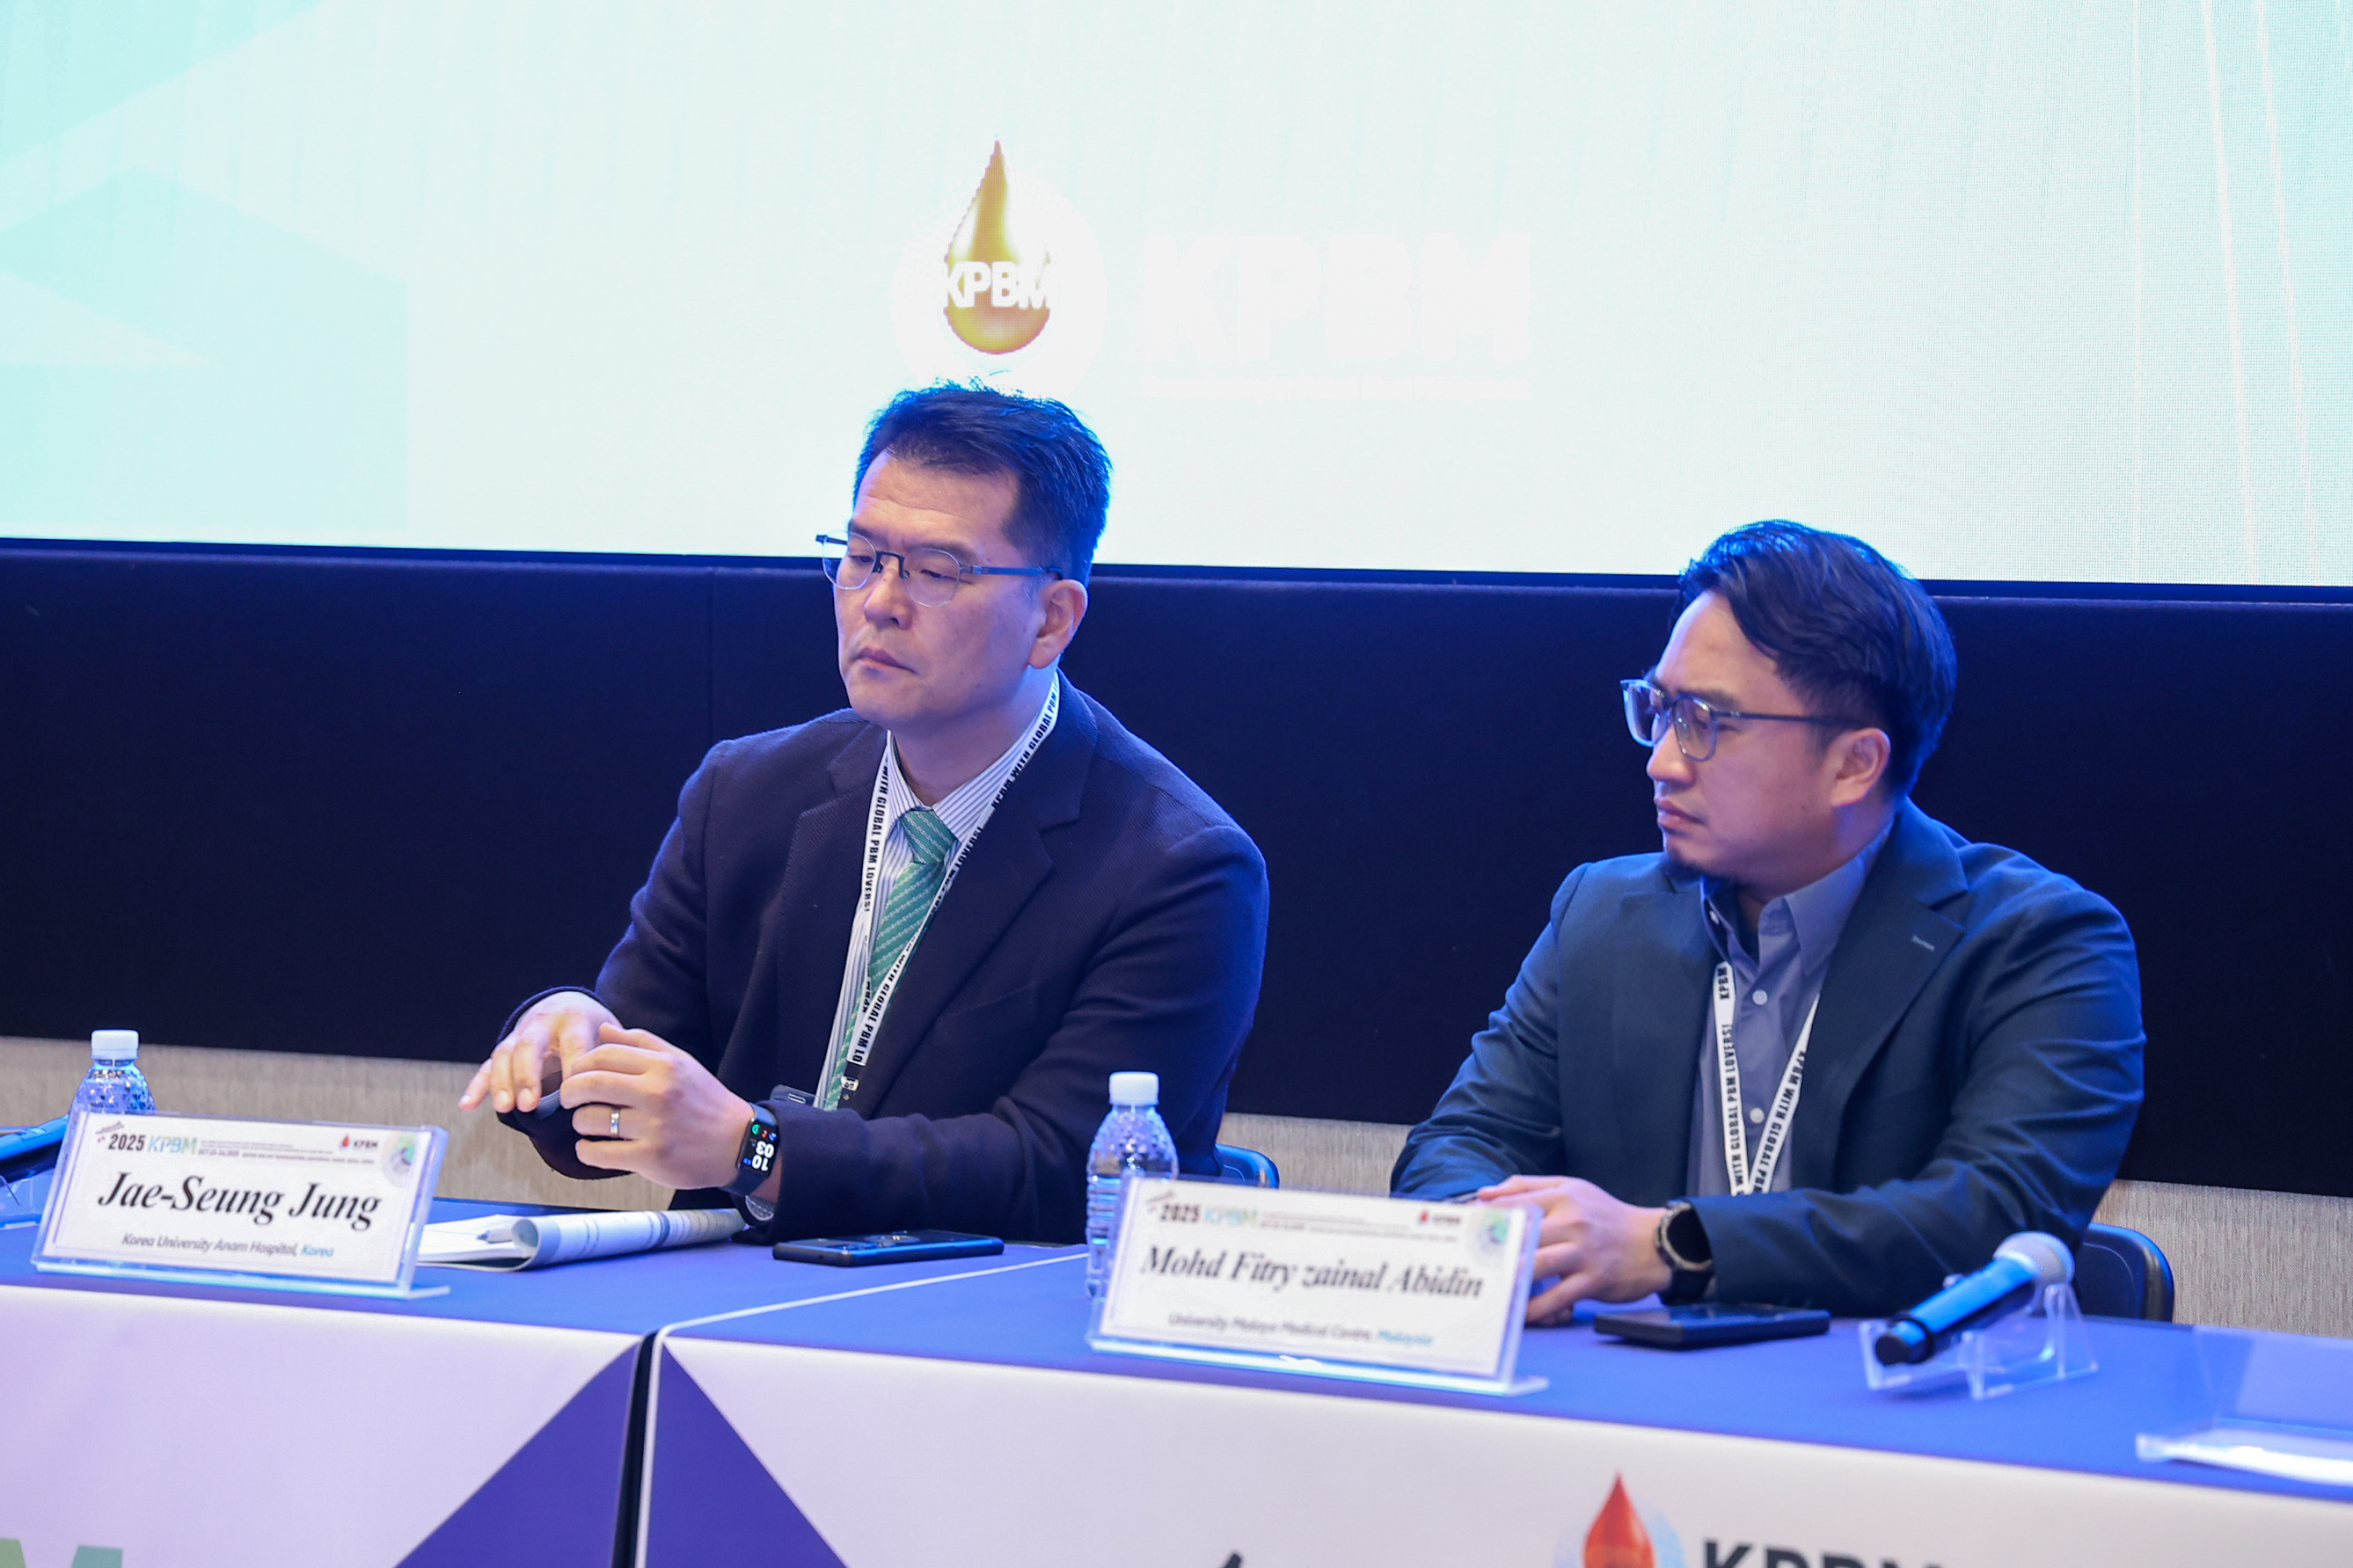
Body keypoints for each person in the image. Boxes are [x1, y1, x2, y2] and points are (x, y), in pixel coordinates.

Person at [459, 384, 1268, 1243]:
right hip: (726, 1299)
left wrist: (755, 1147)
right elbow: (629, 1094)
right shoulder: (744, 793)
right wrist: (565, 1048)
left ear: (1051, 618)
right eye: (862, 556)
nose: (879, 600)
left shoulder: (1179, 869)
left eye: (935, 570)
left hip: (985, 1309)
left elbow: (1061, 1168)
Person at [1392, 521, 2144, 1321]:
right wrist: (1499, 1236)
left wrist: (1669, 1246)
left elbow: (1993, 1215)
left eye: (1705, 721)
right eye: (1659, 708)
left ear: (1854, 763)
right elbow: (1457, 1145)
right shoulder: (1600, 915)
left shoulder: (2039, 943)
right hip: (1618, 1387)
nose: (1660, 760)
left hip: (1882, 1390)